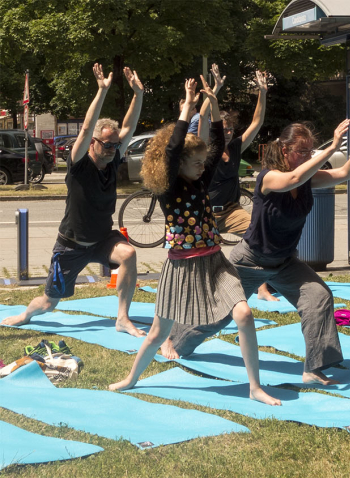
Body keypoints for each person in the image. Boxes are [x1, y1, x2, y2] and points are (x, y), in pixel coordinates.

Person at [109, 77, 280, 406]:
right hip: (181, 267)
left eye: (204, 162)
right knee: (159, 332)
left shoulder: (201, 180)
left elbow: (216, 146)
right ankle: (131, 378)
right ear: (179, 166)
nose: (204, 167)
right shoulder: (169, 189)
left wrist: (213, 106)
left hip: (215, 261)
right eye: (196, 162)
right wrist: (187, 106)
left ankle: (255, 387)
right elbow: (172, 150)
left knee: (244, 315)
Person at [3, 64, 146, 337]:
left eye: (116, 145)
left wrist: (138, 95)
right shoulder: (79, 163)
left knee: (128, 253)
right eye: (107, 144)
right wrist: (102, 90)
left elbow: (128, 126)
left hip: (103, 240)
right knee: (48, 303)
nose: (113, 149)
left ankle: (122, 318)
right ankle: (25, 314)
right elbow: (86, 129)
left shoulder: (113, 158)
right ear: (93, 142)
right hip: (71, 245)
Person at [229, 118, 350, 385]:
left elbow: (345, 174)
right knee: (218, 314)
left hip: (284, 262)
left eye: (311, 151)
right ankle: (176, 341)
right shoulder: (270, 176)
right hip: (250, 260)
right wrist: (329, 151)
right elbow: (292, 178)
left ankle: (313, 369)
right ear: (285, 150)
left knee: (318, 297)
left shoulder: (307, 179)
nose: (308, 156)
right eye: (302, 152)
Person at [158, 67, 273, 360]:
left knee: (259, 232)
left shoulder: (222, 156)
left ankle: (261, 286)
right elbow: (187, 141)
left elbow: (248, 126)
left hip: (224, 218)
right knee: (183, 296)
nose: (229, 133)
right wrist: (197, 101)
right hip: (193, 233)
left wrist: (260, 92)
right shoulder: (193, 166)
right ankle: (164, 338)